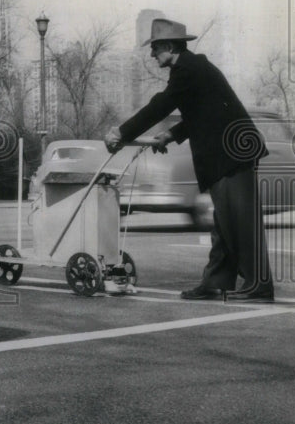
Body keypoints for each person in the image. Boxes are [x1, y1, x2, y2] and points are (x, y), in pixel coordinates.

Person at [104, 18, 273, 302]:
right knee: (224, 221)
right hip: (229, 153)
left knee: (241, 223)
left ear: (169, 46)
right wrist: (170, 135)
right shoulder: (194, 68)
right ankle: (215, 282)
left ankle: (260, 286)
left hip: (230, 154)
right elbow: (200, 111)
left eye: (155, 48)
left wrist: (122, 132)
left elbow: (160, 105)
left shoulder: (187, 69)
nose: (152, 54)